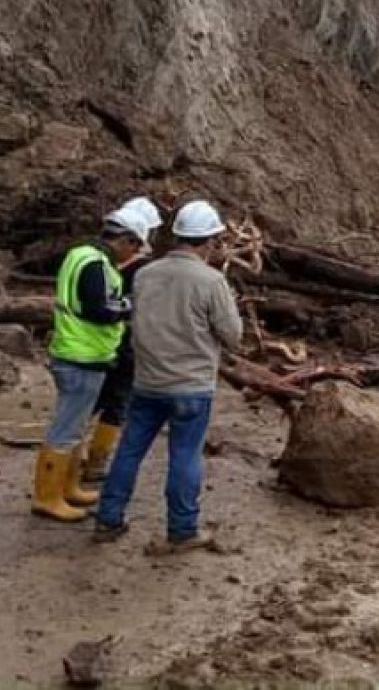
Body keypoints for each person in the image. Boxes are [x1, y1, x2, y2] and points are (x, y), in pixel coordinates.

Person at [95, 200, 243, 550]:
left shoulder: (146, 273)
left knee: (129, 451)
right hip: (192, 385)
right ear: (207, 241)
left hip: (147, 381)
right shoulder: (212, 281)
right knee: (185, 456)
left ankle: (108, 519)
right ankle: (181, 530)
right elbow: (233, 336)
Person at [33, 210, 148, 522]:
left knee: (75, 427)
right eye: (134, 247)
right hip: (81, 355)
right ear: (125, 240)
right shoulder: (96, 265)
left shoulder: (80, 255)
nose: (134, 255)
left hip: (79, 352)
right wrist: (130, 306)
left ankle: (67, 487)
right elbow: (100, 309)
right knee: (66, 429)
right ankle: (47, 496)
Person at [82, 197, 165, 483]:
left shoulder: (102, 262)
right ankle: (96, 462)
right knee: (116, 403)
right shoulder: (141, 268)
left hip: (98, 344)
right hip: (124, 343)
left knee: (91, 402)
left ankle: (76, 454)